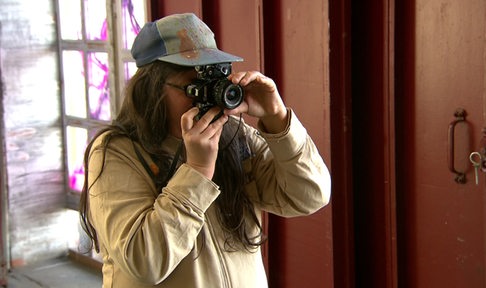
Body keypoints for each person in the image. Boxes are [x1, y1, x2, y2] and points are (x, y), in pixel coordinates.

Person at [79, 12, 331, 288]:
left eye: (212, 83)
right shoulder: (115, 151)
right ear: (151, 89)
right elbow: (145, 262)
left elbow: (310, 194)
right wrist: (197, 172)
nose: (208, 96)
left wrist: (277, 119)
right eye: (194, 86)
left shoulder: (235, 135)